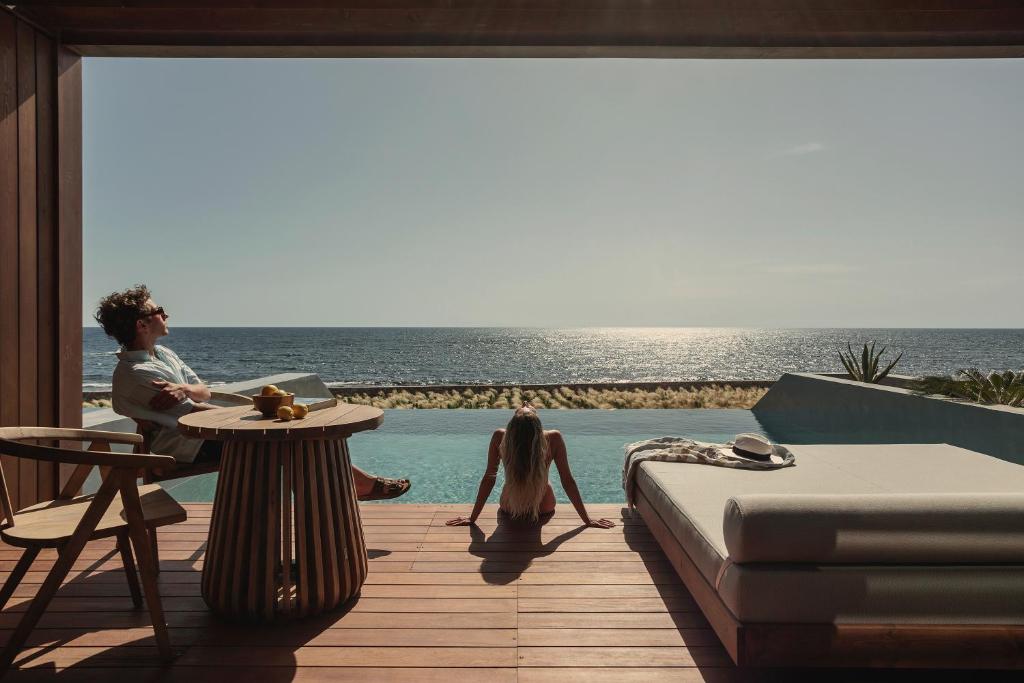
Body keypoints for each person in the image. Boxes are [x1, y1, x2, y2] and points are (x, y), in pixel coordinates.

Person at [94, 284, 410, 501]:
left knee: (302, 441)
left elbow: (202, 394)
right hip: (185, 445)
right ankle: (344, 496)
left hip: (208, 434)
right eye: (158, 310)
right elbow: (194, 416)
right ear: (141, 324)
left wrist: (186, 388)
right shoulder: (138, 374)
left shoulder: (164, 356)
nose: (166, 314)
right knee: (290, 445)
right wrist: (257, 418)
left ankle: (348, 491)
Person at [446, 404, 615, 528]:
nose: (525, 404)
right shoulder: (553, 438)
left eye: (525, 407)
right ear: (538, 424)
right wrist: (587, 519)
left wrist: (473, 517)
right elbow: (567, 480)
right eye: (525, 407)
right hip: (544, 504)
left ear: (512, 425)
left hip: (510, 504)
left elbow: (488, 479)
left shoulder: (501, 437)